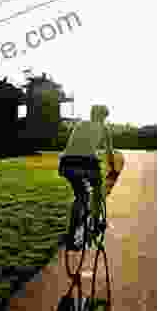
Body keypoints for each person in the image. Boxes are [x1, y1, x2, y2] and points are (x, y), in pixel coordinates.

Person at [59, 104, 116, 250]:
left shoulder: (79, 124)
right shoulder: (103, 129)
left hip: (67, 163)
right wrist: (113, 170)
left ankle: (70, 236)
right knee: (97, 189)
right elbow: (109, 153)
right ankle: (96, 224)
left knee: (80, 196)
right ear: (103, 117)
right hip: (87, 163)